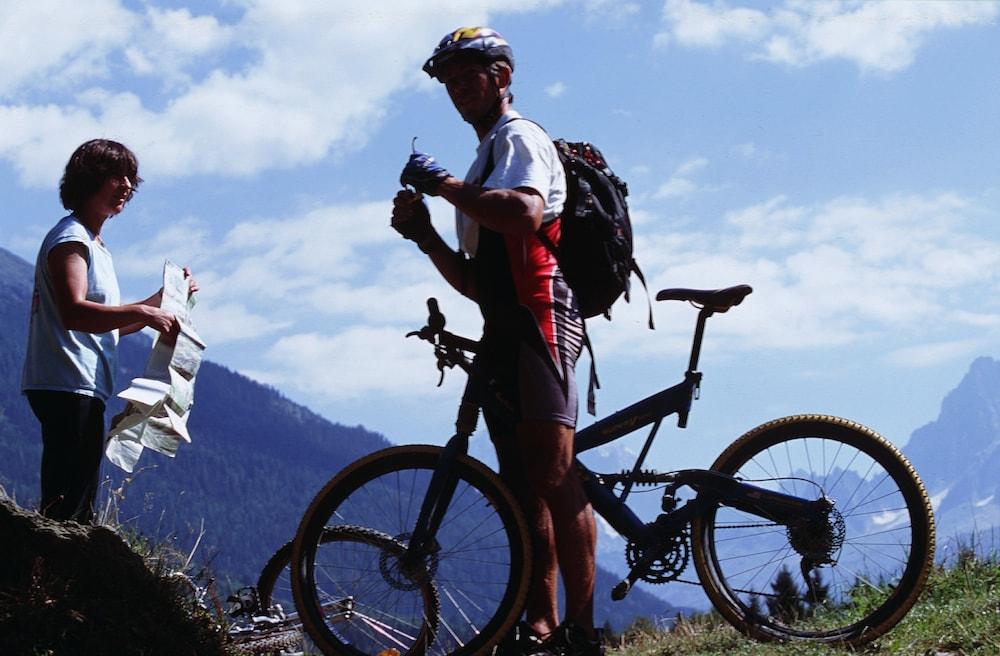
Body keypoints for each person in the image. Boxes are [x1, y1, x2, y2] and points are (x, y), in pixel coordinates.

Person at [391, 27, 602, 656]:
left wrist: (443, 186)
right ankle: (539, 626)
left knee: (554, 472)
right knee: (518, 483)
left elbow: (523, 214)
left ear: (501, 77)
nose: (458, 89)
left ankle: (582, 635)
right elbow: (478, 282)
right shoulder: (488, 156)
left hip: (542, 316)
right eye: (449, 80)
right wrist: (427, 237)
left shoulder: (519, 138)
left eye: (468, 76)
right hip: (504, 324)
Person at [21, 138, 198, 524]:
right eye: (116, 176)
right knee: (68, 503)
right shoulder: (72, 238)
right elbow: (75, 313)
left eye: (131, 179)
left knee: (76, 498)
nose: (126, 186)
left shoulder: (96, 245)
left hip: (81, 383)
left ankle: (51, 574)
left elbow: (106, 329)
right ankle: (46, 574)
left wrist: (163, 300)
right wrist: (142, 311)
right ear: (90, 179)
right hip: (65, 382)